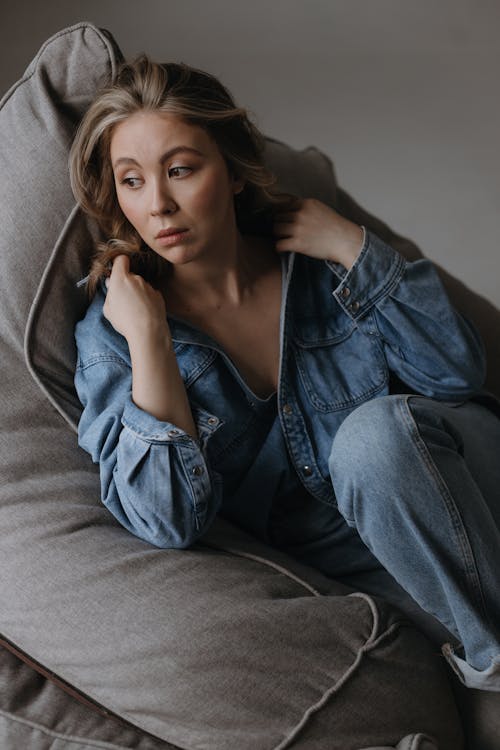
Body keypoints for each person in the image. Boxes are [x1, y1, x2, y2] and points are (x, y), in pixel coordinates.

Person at [70, 55, 500, 692]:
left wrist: (353, 246)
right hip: (389, 567)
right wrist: (152, 342)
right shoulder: (115, 335)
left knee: (372, 441)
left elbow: (456, 374)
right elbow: (166, 523)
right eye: (131, 181)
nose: (158, 204)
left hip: (466, 484)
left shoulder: (321, 259)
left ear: (233, 172)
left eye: (181, 170)